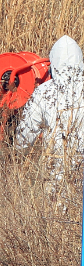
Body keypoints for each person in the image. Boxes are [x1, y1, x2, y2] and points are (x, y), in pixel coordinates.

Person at [16, 35, 84, 183]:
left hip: (56, 172)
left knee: (56, 201)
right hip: (81, 170)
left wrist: (18, 152)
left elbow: (25, 136)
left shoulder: (44, 92)